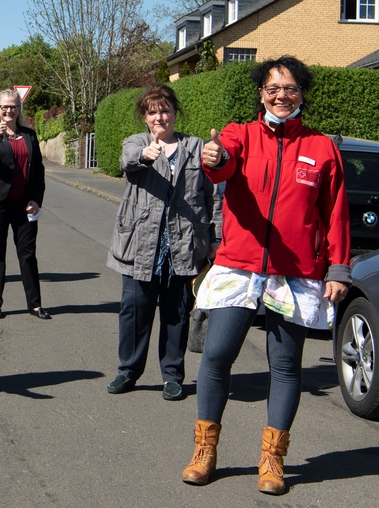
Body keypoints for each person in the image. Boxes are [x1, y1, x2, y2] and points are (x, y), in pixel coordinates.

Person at [182, 55, 351, 495]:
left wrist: (338, 268)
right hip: (240, 264)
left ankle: (273, 460)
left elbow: (335, 212)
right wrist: (213, 156)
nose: (282, 96)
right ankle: (205, 450)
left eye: (291, 89)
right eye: (273, 89)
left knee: (286, 367)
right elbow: (222, 164)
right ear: (261, 94)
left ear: (301, 95)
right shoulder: (240, 134)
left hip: (296, 273)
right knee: (217, 355)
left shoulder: (321, 148)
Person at [105, 85, 216, 401]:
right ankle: (128, 371)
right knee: (134, 311)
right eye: (152, 111)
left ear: (175, 113)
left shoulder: (195, 146)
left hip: (184, 243)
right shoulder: (136, 142)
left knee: (177, 313)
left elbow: (213, 197)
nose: (159, 117)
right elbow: (127, 161)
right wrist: (144, 155)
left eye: (165, 110)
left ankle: (172, 375)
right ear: (145, 117)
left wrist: (216, 238)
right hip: (141, 244)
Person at [0, 89, 49, 320]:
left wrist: (36, 200)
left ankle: (35, 304)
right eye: (4, 107)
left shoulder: (30, 135)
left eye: (13, 106)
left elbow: (38, 171)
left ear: (19, 108)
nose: (9, 111)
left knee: (28, 254)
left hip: (24, 205)